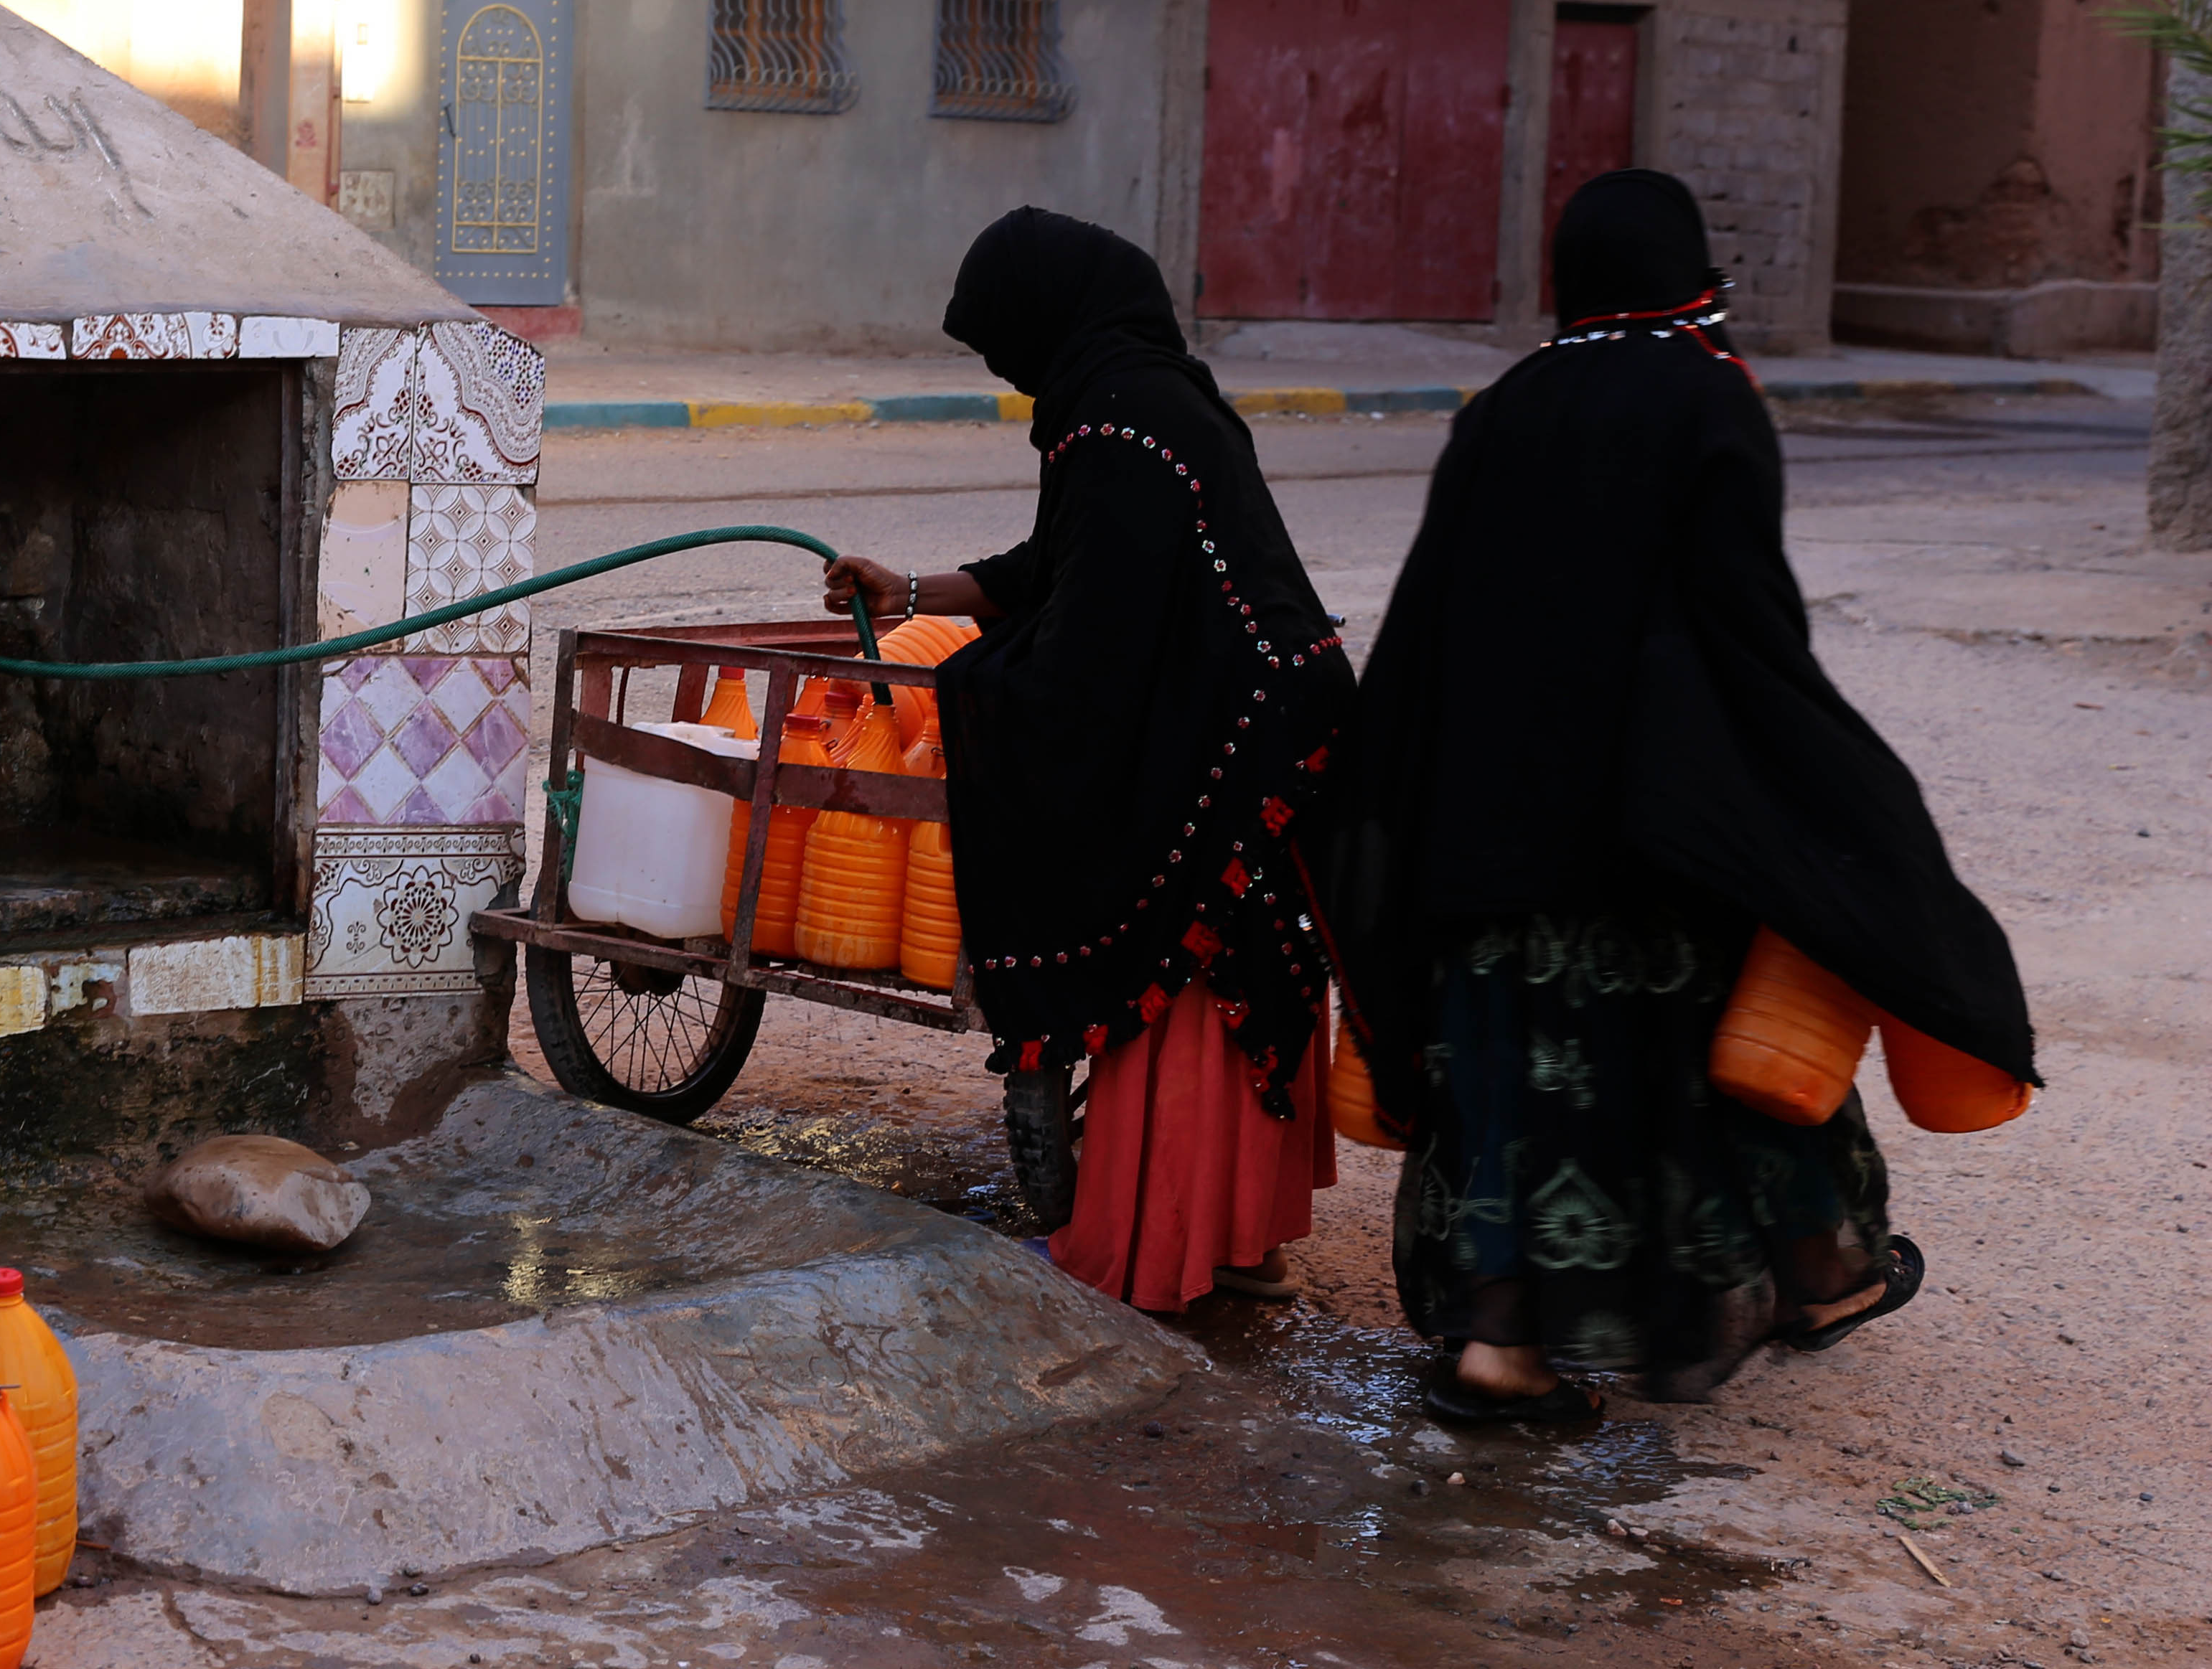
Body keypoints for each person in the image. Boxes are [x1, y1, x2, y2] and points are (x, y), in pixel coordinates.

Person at [1318, 169, 2032, 1423]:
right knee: (1710, 1073)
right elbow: (1743, 624)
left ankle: (1502, 1355)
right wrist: (1817, 782)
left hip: (1491, 833)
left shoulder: (1502, 407)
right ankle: (1815, 1279)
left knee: (1520, 1089)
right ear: (1688, 270)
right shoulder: (1709, 396)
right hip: (1656, 831)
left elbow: (1433, 627)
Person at [826, 207, 1353, 1313]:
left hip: (1233, 727)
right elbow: (1054, 566)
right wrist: (916, 594)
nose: (1006, 371)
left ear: (1046, 318)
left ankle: (1160, 1248)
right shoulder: (1129, 397)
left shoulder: (1123, 418)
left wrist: (970, 694)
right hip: (1261, 715)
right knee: (1240, 967)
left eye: (1000, 344)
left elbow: (1093, 642)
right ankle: (1236, 1242)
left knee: (1192, 968)